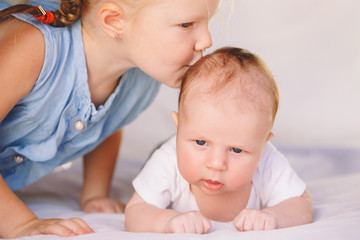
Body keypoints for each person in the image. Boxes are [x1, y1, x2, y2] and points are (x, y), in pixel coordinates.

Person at [0, 0, 221, 238]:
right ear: (114, 21)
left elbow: (107, 121)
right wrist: (20, 224)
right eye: (186, 24)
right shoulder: (33, 46)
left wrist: (95, 193)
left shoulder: (142, 77)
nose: (207, 40)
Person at [125, 47, 313, 234]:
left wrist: (275, 217)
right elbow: (135, 212)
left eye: (236, 150)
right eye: (201, 143)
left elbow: (301, 203)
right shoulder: (168, 160)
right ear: (179, 126)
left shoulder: (267, 160)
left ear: (263, 144)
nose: (216, 164)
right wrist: (167, 221)